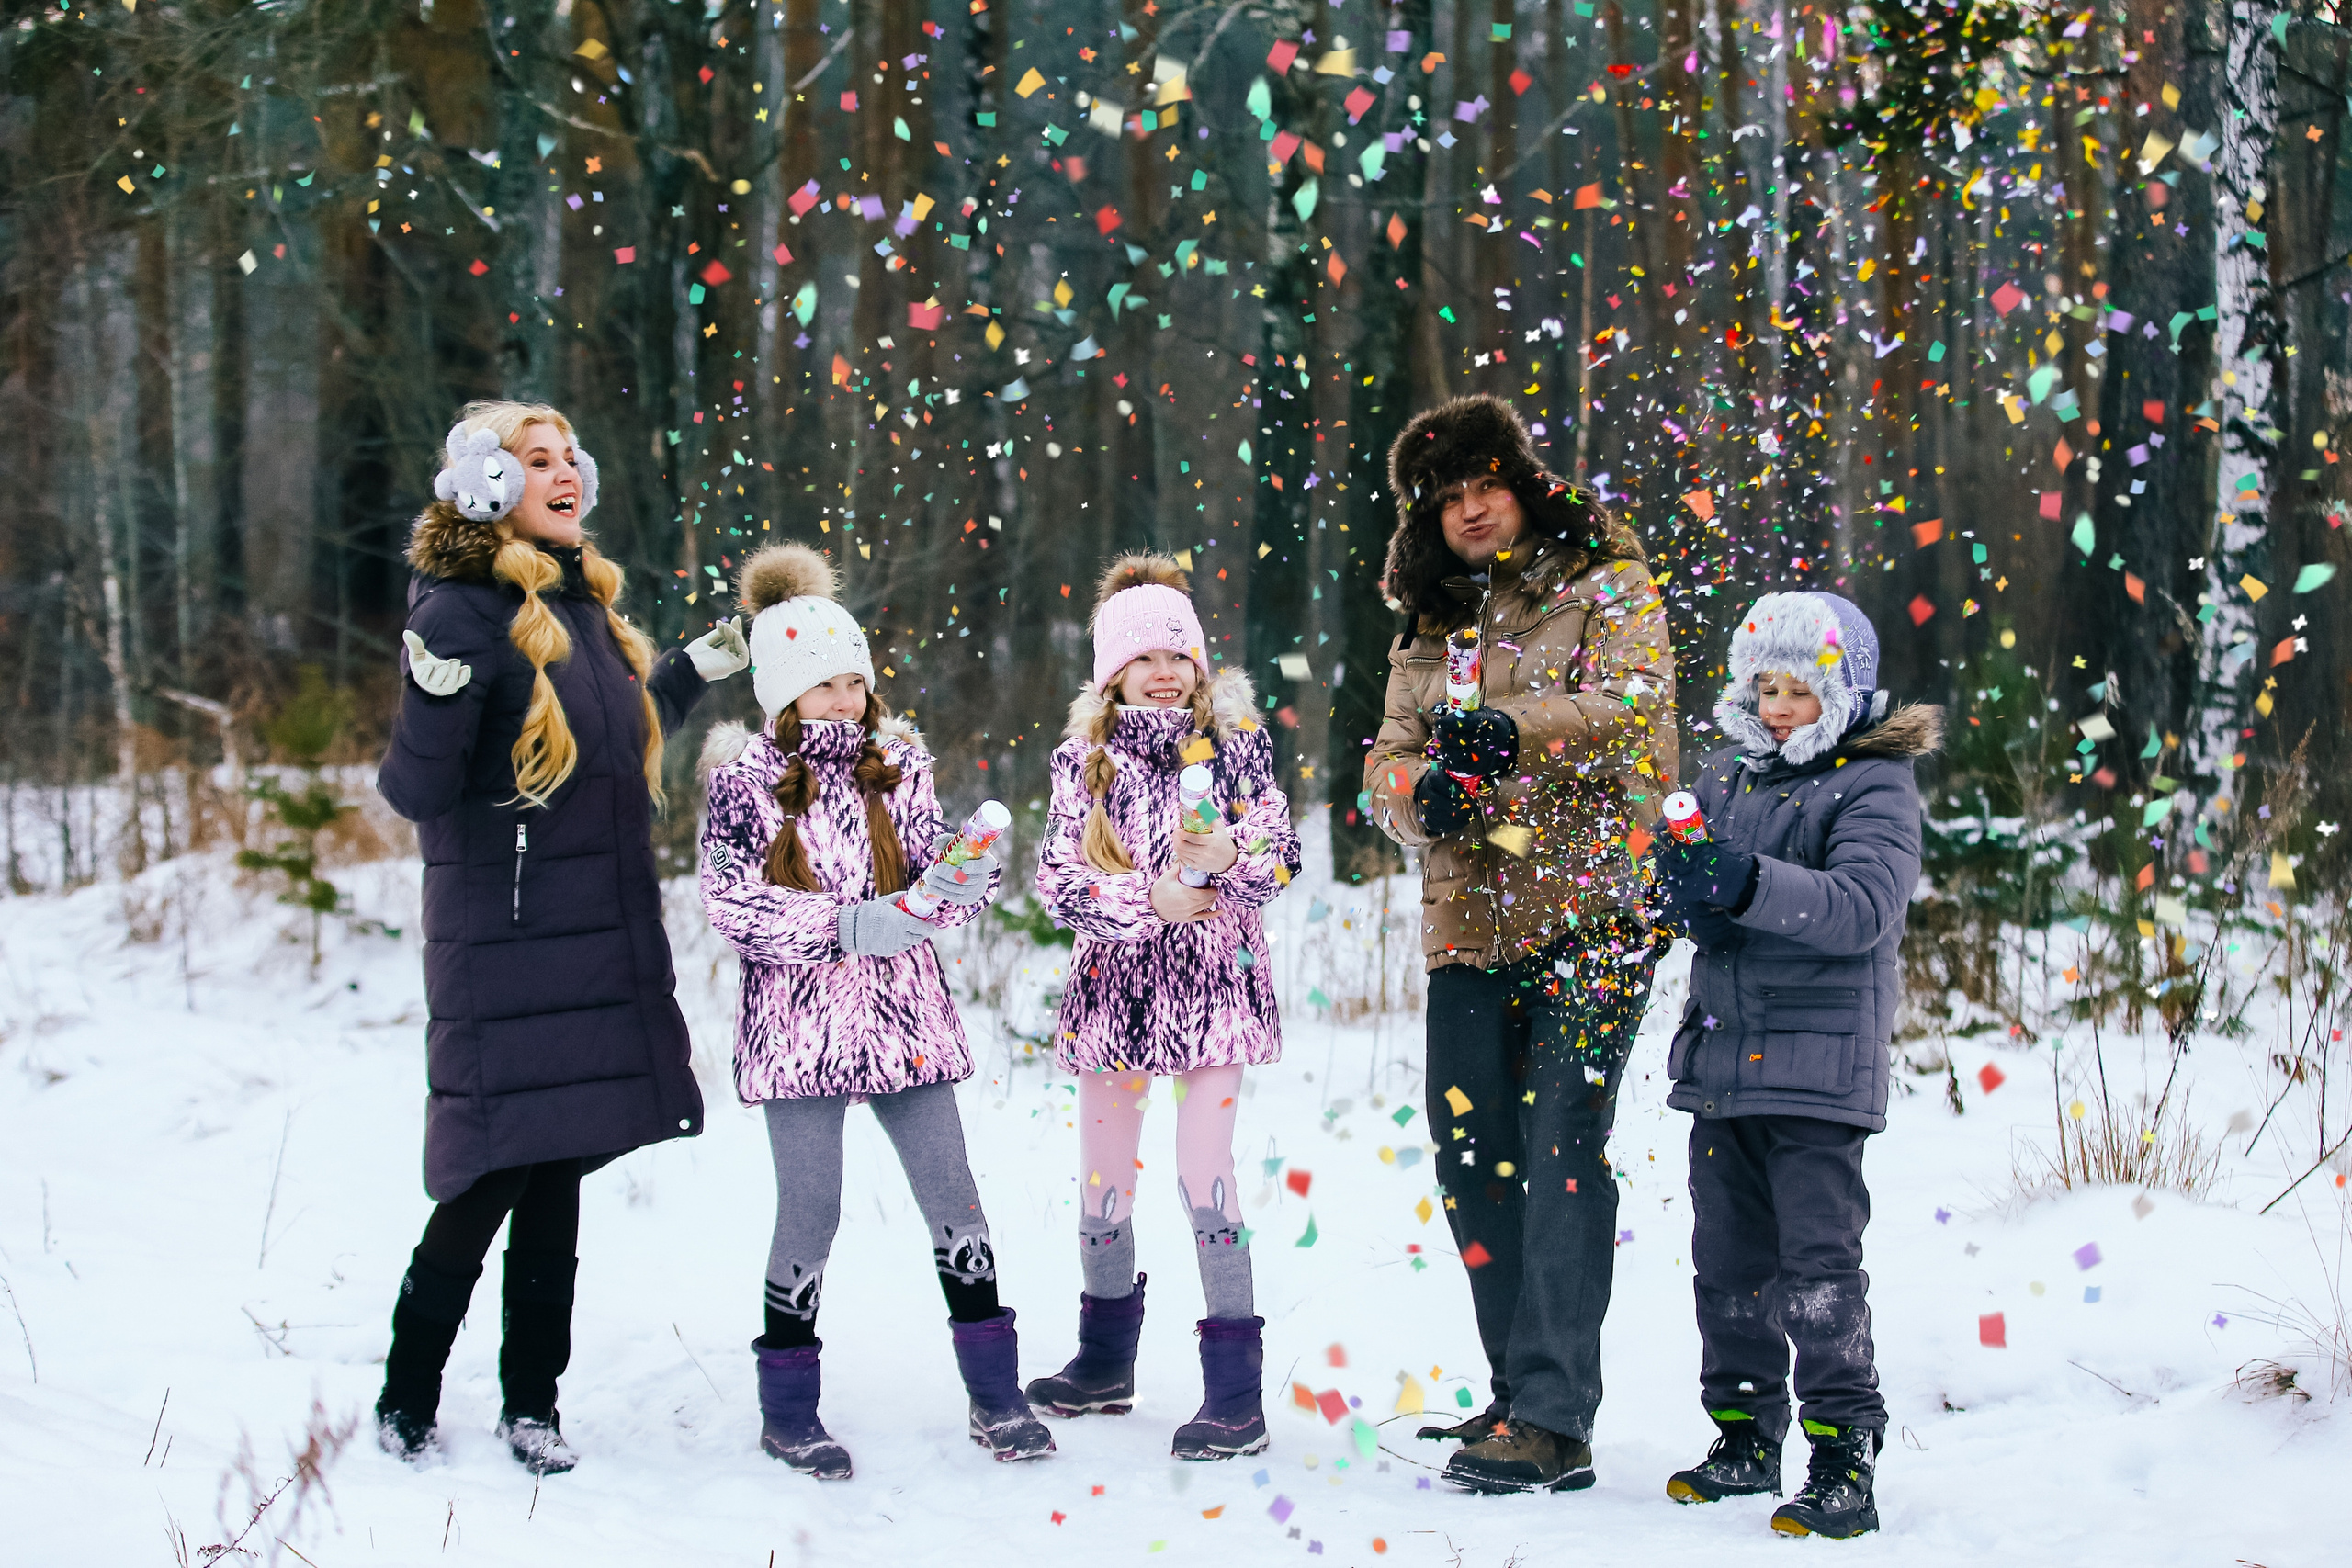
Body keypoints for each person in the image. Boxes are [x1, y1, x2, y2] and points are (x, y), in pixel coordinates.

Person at [374, 401, 750, 1473]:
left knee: (554, 1183)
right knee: (486, 1177)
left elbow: (610, 732)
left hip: (584, 935)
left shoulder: (579, 602)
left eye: (568, 457)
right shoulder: (454, 613)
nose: (563, 473)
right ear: (489, 486)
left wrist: (686, 672)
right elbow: (416, 789)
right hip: (506, 941)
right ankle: (406, 1398)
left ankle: (530, 1404)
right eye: (534, 460)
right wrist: (427, 700)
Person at [1363, 394, 1677, 1495]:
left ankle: (1554, 1415)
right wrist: (1423, 798)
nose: (1471, 510)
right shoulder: (1428, 625)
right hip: (1467, 926)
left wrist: (1514, 728)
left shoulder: (1606, 580)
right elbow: (1383, 769)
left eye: (1484, 485)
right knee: (1472, 1164)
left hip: (1593, 908)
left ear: (1523, 483)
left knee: (1558, 1154)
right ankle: (1515, 1395)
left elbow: (1639, 710)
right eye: (1448, 500)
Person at [698, 542, 1054, 1478]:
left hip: (907, 1028)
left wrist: (962, 876)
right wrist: (851, 925)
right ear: (781, 696)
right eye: (824, 686)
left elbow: (935, 885)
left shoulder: (899, 766)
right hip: (800, 1037)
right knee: (809, 1211)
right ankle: (789, 1411)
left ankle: (995, 1396)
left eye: (855, 681)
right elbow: (732, 903)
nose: (847, 700)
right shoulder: (742, 784)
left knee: (956, 1202)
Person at [1652, 592, 1941, 1539]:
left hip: (1818, 1071)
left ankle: (1840, 1450)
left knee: (1816, 1267)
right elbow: (1715, 901)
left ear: (1843, 693)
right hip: (1724, 1060)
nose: (1777, 706)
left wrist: (1744, 883)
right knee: (1724, 1261)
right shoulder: (1734, 776)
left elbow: (1863, 906)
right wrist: (1686, 890)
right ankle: (1741, 1431)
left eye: (1799, 690)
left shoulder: (1873, 783)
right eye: (1763, 686)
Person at [1023, 554, 1302, 1461]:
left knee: (1204, 1173)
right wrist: (1149, 901)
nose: (1165, 671)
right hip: (1117, 1002)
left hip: (1213, 997)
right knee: (1104, 1180)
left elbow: (1279, 856)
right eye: (1144, 657)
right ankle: (1105, 1361)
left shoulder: (1238, 751)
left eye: (1179, 654)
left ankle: (1234, 1396)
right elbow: (1058, 883)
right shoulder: (1084, 763)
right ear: (1111, 672)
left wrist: (1229, 857)